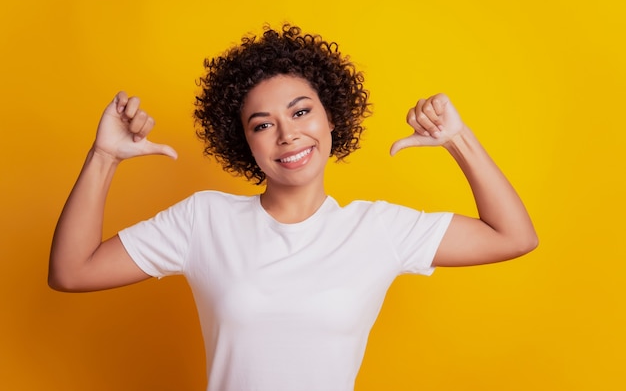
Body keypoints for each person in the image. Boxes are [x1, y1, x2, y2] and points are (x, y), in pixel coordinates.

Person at [49, 24, 538, 391]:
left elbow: (513, 236)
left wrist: (457, 140)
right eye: (262, 124)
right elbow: (71, 271)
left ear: (331, 118)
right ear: (245, 142)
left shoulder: (378, 229)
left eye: (301, 111)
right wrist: (105, 155)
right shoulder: (204, 220)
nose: (287, 134)